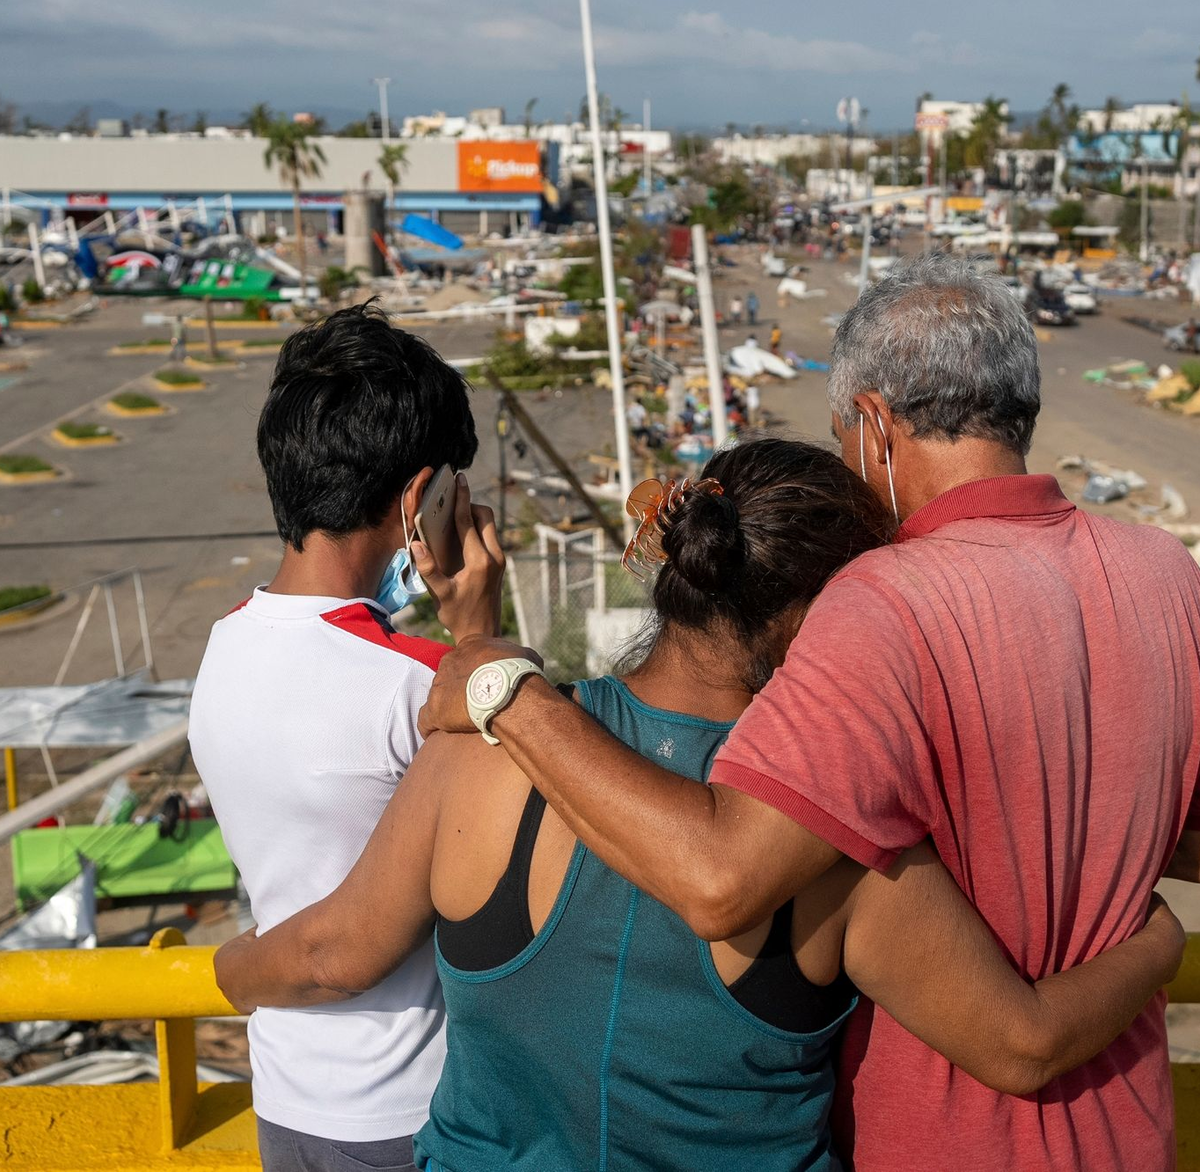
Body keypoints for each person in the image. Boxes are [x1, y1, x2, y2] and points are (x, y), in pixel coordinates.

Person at [417, 256, 1200, 1170]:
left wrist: (501, 683)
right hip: (1129, 1131)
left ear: (873, 426)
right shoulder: (1164, 572)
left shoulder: (881, 601)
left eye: (841, 442)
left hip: (937, 1140)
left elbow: (722, 877)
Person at [215, 439, 1183, 1172]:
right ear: (821, 620)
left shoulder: (485, 752)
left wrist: (223, 969)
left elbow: (329, 950)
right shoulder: (834, 847)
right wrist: (1158, 945)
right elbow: (1021, 1040)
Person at [190, 302, 504, 1172]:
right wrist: (480, 636)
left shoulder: (222, 648)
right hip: (417, 1108)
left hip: (288, 1097)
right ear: (421, 500)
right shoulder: (419, 682)